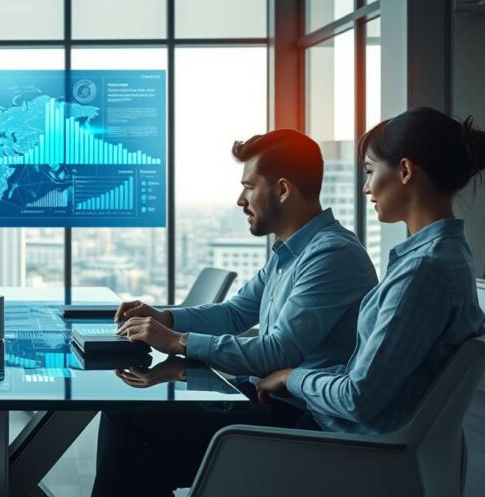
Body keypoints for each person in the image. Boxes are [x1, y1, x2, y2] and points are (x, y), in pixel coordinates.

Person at [92, 129, 379, 497]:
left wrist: (177, 341)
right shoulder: (290, 254)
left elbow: (277, 352)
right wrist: (166, 319)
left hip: (299, 420)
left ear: (283, 190)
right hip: (264, 398)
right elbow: (234, 313)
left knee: (128, 424)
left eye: (249, 187)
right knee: (137, 440)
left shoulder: (331, 255)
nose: (240, 200)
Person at [257, 107, 485, 434]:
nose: (366, 187)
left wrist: (291, 377)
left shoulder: (423, 270)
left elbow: (358, 397)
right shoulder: (447, 256)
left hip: (344, 444)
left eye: (369, 171)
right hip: (344, 432)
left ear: (404, 171)